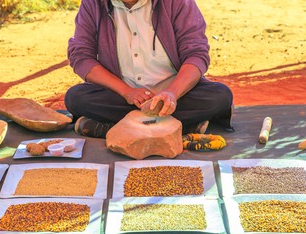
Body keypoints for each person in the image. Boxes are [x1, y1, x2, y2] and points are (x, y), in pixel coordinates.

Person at [65, 0, 234, 138]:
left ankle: (113, 128)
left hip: (177, 96)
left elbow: (196, 54)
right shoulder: (92, 4)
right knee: (76, 98)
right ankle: (180, 127)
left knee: (220, 96)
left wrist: (172, 94)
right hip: (121, 96)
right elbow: (81, 56)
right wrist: (127, 92)